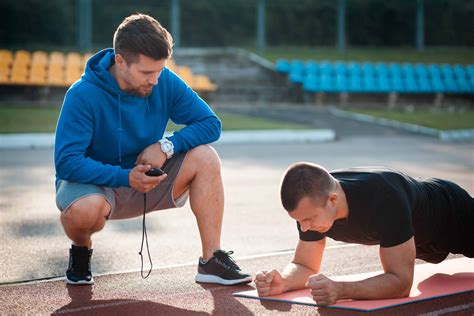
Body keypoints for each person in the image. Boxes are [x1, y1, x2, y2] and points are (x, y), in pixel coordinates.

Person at [54, 13, 251, 286]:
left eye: (159, 70)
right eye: (147, 72)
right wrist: (125, 177)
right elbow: (67, 163)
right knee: (86, 211)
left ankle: (211, 260)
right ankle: (81, 249)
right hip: (96, 186)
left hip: (147, 180)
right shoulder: (82, 94)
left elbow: (210, 124)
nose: (155, 80)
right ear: (120, 61)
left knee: (205, 156)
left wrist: (166, 145)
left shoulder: (164, 81)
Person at [255, 162, 473, 306]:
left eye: (308, 219)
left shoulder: (385, 197)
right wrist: (283, 281)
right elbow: (305, 266)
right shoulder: (312, 209)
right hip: (421, 241)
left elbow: (401, 283)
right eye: (299, 221)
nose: (304, 228)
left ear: (333, 200)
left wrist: (340, 290)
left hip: (452, 215)